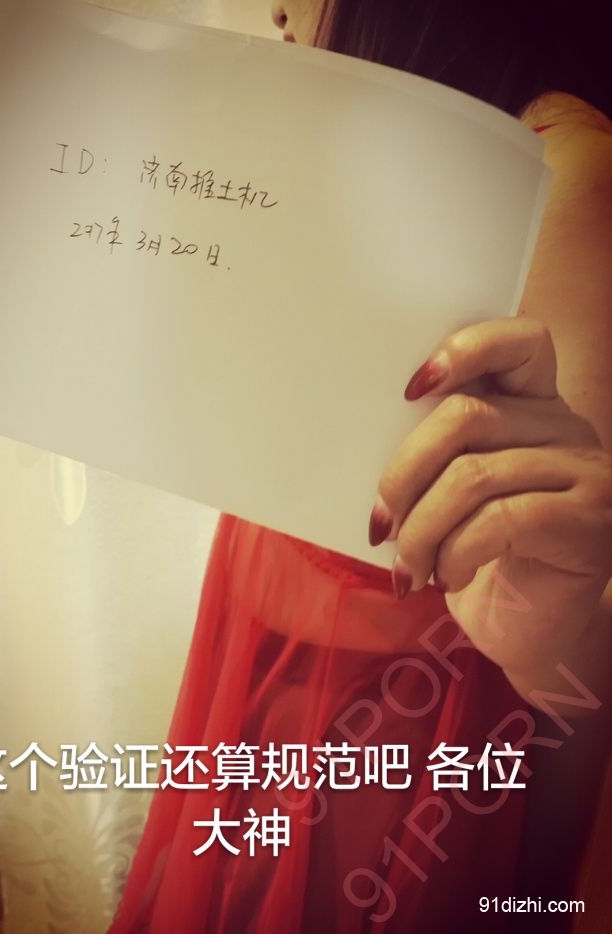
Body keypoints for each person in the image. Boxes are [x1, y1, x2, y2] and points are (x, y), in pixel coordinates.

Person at [109, 1, 612, 931]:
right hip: (261, 621)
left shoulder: (564, 169)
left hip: (403, 706)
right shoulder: (341, 117)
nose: (275, 7)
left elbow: (567, 613)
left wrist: (541, 634)